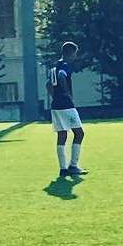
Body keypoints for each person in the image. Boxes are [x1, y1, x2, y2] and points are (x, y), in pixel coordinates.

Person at [48, 42, 86, 177]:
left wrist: (55, 97)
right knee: (79, 133)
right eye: (75, 53)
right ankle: (73, 166)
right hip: (66, 105)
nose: (75, 56)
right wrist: (66, 94)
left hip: (56, 106)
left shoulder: (54, 66)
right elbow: (62, 77)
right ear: (70, 53)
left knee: (62, 134)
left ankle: (63, 169)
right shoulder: (65, 66)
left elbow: (49, 85)